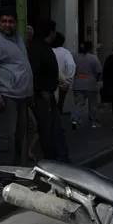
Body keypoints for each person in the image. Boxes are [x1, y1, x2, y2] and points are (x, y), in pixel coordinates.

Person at [0, 7, 34, 168]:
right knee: (4, 138)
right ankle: (2, 175)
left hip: (21, 97)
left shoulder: (17, 40)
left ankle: (18, 170)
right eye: (3, 21)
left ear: (16, 23)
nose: (7, 25)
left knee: (23, 134)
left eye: (10, 21)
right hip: (4, 97)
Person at [27, 20, 69, 162]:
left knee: (53, 130)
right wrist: (40, 91)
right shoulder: (37, 49)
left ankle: (58, 159)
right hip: (43, 96)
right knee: (49, 130)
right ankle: (54, 161)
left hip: (47, 93)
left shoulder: (43, 47)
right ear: (50, 32)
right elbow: (32, 73)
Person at [71, 40, 103, 129]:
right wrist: (96, 79)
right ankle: (94, 121)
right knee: (93, 104)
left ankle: (75, 119)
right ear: (90, 48)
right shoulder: (93, 58)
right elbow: (99, 71)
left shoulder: (74, 56)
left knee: (79, 103)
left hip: (78, 82)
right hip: (90, 82)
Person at [51, 32, 76, 114]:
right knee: (59, 107)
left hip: (49, 83)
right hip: (62, 84)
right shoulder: (65, 52)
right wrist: (68, 81)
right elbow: (71, 65)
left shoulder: (48, 50)